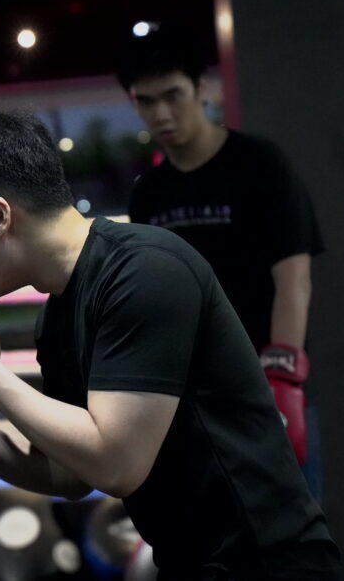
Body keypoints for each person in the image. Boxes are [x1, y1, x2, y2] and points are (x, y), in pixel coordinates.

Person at [0, 111, 340, 580]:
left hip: (269, 564)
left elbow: (117, 465)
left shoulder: (145, 271)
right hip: (193, 565)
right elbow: (71, 473)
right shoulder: (57, 316)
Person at [118, 28, 325, 498]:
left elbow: (294, 279)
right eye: (146, 101)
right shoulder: (148, 195)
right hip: (191, 396)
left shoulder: (260, 164)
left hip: (264, 386)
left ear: (202, 89)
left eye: (173, 95)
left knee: (296, 537)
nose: (162, 114)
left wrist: (280, 381)